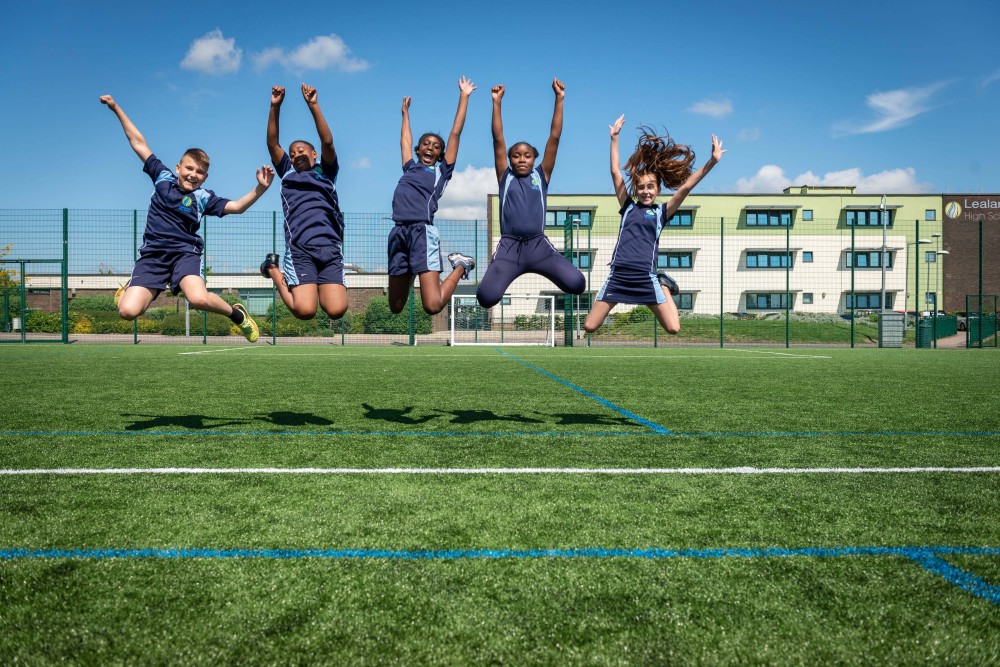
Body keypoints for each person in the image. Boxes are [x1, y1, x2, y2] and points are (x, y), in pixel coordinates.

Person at [100, 95, 273, 342]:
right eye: (189, 168)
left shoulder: (203, 198)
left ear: (205, 177)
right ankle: (132, 289)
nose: (193, 174)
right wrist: (116, 108)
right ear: (178, 168)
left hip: (185, 254)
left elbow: (237, 207)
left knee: (198, 298)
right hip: (153, 256)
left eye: (200, 172)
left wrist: (260, 189)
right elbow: (138, 142)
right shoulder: (162, 177)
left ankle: (237, 315)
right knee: (127, 311)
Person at [584, 115, 725, 335]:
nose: (646, 191)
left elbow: (686, 187)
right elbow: (615, 172)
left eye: (650, 187)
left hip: (645, 277)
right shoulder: (628, 207)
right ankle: (659, 286)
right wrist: (614, 138)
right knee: (590, 326)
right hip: (618, 276)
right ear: (636, 190)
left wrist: (712, 162)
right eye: (641, 187)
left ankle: (664, 285)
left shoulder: (661, 213)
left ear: (658, 189)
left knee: (673, 328)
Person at [476, 78, 585, 309]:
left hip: (538, 246)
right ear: (509, 159)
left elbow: (554, 137)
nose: (522, 159)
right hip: (509, 247)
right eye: (516, 155)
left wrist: (559, 99)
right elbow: (498, 139)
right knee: (486, 297)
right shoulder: (505, 177)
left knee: (577, 283)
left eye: (527, 155)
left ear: (534, 158)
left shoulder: (541, 175)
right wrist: (496, 103)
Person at [388, 77, 477, 315]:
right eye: (426, 144)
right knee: (395, 306)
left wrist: (464, 96)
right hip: (398, 234)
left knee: (433, 305)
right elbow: (404, 141)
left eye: (436, 146)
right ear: (418, 150)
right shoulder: (409, 167)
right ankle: (411, 269)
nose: (430, 147)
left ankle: (461, 266)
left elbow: (455, 133)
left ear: (440, 155)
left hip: (421, 233)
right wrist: (405, 114)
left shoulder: (441, 172)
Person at [260, 84, 347, 320]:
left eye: (300, 151)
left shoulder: (326, 172)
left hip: (330, 248)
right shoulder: (288, 173)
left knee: (336, 310)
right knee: (305, 311)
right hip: (300, 249)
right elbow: (272, 143)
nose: (296, 155)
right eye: (292, 154)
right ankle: (272, 268)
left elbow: (328, 142)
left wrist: (313, 106)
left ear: (314, 154)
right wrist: (275, 107)